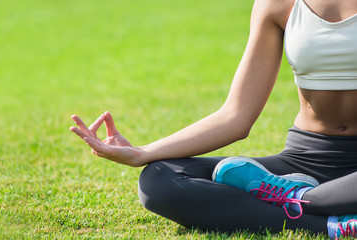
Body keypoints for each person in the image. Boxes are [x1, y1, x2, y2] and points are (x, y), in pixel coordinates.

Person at [70, 0, 357, 238]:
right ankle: (330, 225)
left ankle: (297, 198)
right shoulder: (278, 4)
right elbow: (235, 116)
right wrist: (142, 153)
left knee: (312, 195)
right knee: (160, 180)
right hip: (305, 158)